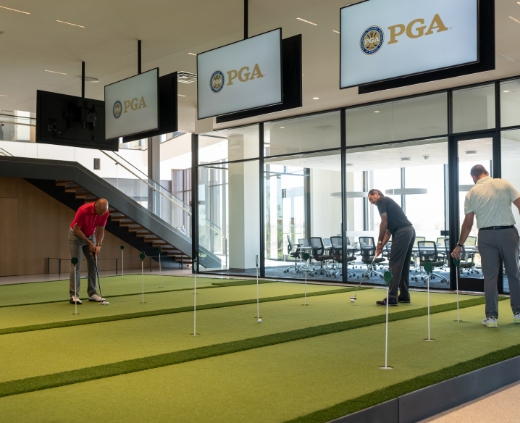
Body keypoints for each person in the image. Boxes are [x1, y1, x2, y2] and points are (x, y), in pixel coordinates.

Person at [451, 165, 520, 328]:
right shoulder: (503, 183)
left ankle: (491, 318)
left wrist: (459, 245)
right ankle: (518, 313)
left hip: (486, 235)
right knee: (514, 274)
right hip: (508, 232)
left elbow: (468, 224)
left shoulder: (471, 193)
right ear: (487, 173)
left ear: (473, 177)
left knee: (490, 277)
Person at [368, 189, 416, 306]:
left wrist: (379, 241)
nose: (371, 202)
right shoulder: (388, 203)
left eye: (371, 199)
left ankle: (392, 297)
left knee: (394, 264)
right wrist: (380, 246)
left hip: (402, 232)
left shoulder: (382, 201)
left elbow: (384, 222)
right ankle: (404, 295)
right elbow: (388, 231)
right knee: (403, 265)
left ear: (377, 194)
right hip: (409, 231)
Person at [68, 198, 110, 304]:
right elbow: (77, 229)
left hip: (90, 236)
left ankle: (92, 293)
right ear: (96, 207)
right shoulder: (83, 210)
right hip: (76, 236)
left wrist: (98, 244)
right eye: (100, 212)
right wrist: (89, 243)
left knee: (93, 263)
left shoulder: (105, 212)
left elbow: (101, 229)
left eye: (104, 212)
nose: (102, 215)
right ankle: (74, 295)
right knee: (76, 264)